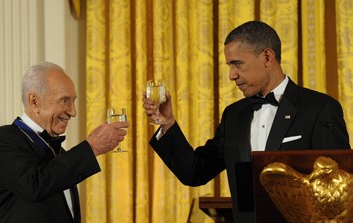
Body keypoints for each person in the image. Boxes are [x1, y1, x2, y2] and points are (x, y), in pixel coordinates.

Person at [142, 21, 350, 222]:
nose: (232, 75)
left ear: (267, 57)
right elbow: (195, 172)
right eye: (229, 66)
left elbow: (339, 190)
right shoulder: (234, 115)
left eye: (237, 64)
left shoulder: (320, 109)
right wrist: (167, 123)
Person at [0, 62, 129, 223]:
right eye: (64, 100)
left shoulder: (60, 153)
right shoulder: (4, 138)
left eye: (73, 101)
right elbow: (35, 186)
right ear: (34, 102)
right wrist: (92, 147)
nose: (73, 112)